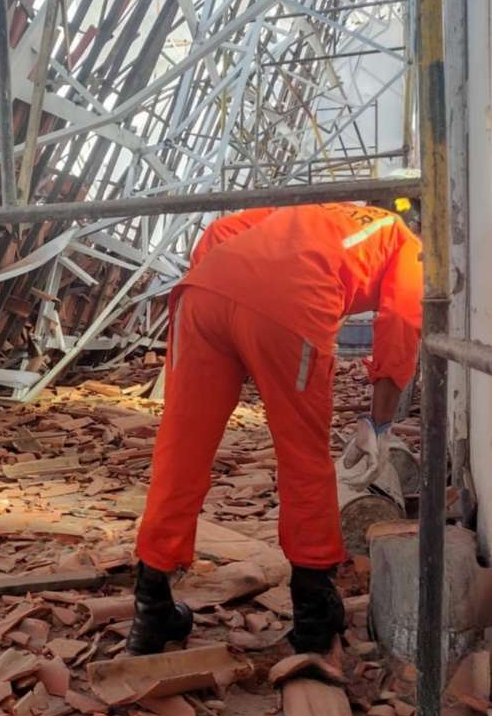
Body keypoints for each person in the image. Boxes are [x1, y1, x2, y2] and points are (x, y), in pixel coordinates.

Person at [126, 199, 423, 656]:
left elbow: (221, 229)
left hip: (203, 292)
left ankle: (151, 609)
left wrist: (229, 297)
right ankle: (313, 614)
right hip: (291, 301)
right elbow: (400, 325)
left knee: (180, 449)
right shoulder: (406, 241)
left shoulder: (318, 212)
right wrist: (379, 426)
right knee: (303, 456)